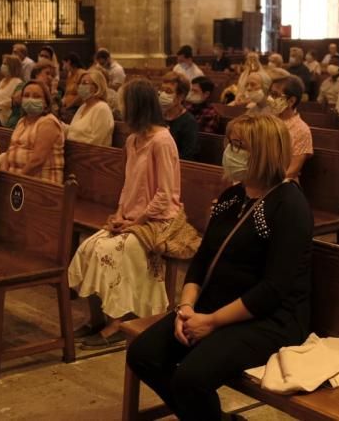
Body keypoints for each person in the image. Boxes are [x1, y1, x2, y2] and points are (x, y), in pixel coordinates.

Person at [126, 113, 312, 420]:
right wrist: (186, 308)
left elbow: (273, 289)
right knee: (143, 355)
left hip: (269, 319)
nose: (231, 152)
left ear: (264, 152)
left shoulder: (290, 206)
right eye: (230, 143)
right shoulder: (231, 197)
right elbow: (202, 260)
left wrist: (211, 322)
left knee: (191, 377)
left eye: (240, 146)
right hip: (215, 306)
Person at [70, 79, 197, 350]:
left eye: (124, 103)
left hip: (161, 218)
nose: (120, 108)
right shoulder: (132, 140)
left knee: (115, 251)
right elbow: (128, 185)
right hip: (132, 216)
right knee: (88, 247)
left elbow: (165, 193)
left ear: (137, 106)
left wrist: (134, 223)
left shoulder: (162, 141)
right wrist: (119, 215)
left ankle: (120, 322)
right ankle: (96, 318)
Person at [0, 80, 65, 185]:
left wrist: (15, 181)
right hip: (17, 179)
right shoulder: (22, 121)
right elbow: (11, 149)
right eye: (26, 95)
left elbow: (37, 161)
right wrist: (4, 176)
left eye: (36, 96)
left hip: (39, 183)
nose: (30, 99)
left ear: (46, 103)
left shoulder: (48, 122)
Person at [269, 76, 312, 180]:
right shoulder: (266, 120)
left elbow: (292, 172)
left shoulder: (301, 130)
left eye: (275, 95)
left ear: (291, 101)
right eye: (270, 93)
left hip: (281, 184)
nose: (269, 99)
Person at [66, 69, 115, 147]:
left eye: (85, 83)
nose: (80, 87)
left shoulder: (102, 109)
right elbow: (73, 130)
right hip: (75, 151)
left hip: (91, 155)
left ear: (97, 87)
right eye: (80, 84)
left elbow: (96, 141)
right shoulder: (83, 107)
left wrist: (72, 142)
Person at [160, 72, 200, 161]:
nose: (163, 95)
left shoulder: (189, 122)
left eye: (168, 91)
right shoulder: (157, 116)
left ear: (181, 96)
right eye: (162, 90)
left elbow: (187, 155)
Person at [0, 55, 23, 125]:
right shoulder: (1, 81)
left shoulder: (17, 82)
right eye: (2, 63)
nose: (2, 66)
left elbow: (12, 101)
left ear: (12, 66)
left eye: (5, 64)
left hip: (7, 114)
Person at [60, 53, 86, 119]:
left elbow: (81, 95)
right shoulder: (70, 74)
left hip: (77, 107)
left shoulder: (82, 74)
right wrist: (62, 102)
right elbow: (67, 92)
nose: (63, 66)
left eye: (64, 63)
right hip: (68, 106)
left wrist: (68, 107)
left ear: (69, 62)